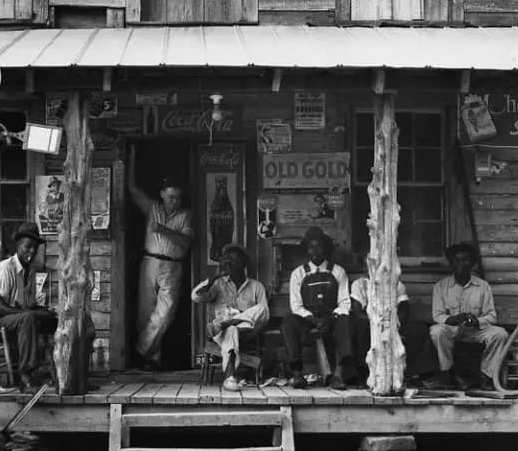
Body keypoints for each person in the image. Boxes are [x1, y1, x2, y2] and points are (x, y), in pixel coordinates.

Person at [0, 222, 89, 389]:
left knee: (57, 318)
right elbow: (0, 307)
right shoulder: (4, 268)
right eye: (27, 247)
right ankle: (26, 373)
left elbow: (27, 304)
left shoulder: (29, 272)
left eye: (35, 248)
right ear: (18, 246)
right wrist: (27, 312)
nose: (31, 251)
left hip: (17, 318)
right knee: (28, 318)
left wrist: (46, 311)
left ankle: (70, 370)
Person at [128, 144, 194, 370]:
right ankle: (151, 359)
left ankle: (139, 351)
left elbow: (185, 241)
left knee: (165, 314)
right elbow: (133, 190)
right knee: (145, 314)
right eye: (170, 197)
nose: (174, 201)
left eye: (177, 198)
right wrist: (131, 155)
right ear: (162, 195)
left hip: (172, 266)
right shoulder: (153, 207)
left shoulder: (185, 215)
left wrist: (163, 230)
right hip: (149, 262)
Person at [279, 227, 353, 389]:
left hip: (330, 318)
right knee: (288, 322)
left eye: (318, 246)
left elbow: (345, 303)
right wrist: (313, 319)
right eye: (311, 246)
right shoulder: (299, 273)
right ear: (307, 250)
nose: (315, 250)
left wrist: (331, 318)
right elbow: (296, 306)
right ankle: (297, 374)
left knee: (345, 321)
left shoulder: (338, 271)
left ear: (325, 248)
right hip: (308, 319)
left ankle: (338, 375)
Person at [428, 242, 508, 389]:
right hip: (452, 330)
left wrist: (476, 321)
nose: (460, 264)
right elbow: (437, 315)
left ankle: (487, 375)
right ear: (451, 263)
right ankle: (447, 373)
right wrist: (453, 319)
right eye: (456, 260)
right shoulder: (441, 286)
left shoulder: (483, 286)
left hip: (475, 331)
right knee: (437, 331)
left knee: (500, 334)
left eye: (465, 260)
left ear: (472, 263)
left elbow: (491, 316)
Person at [191, 243, 269, 392]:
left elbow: (264, 314)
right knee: (231, 330)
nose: (229, 262)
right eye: (227, 259)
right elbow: (196, 297)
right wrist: (215, 277)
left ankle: (231, 323)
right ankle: (229, 377)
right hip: (220, 331)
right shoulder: (218, 284)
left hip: (246, 330)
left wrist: (241, 322)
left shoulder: (256, 286)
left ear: (243, 263)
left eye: (234, 259)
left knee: (260, 309)